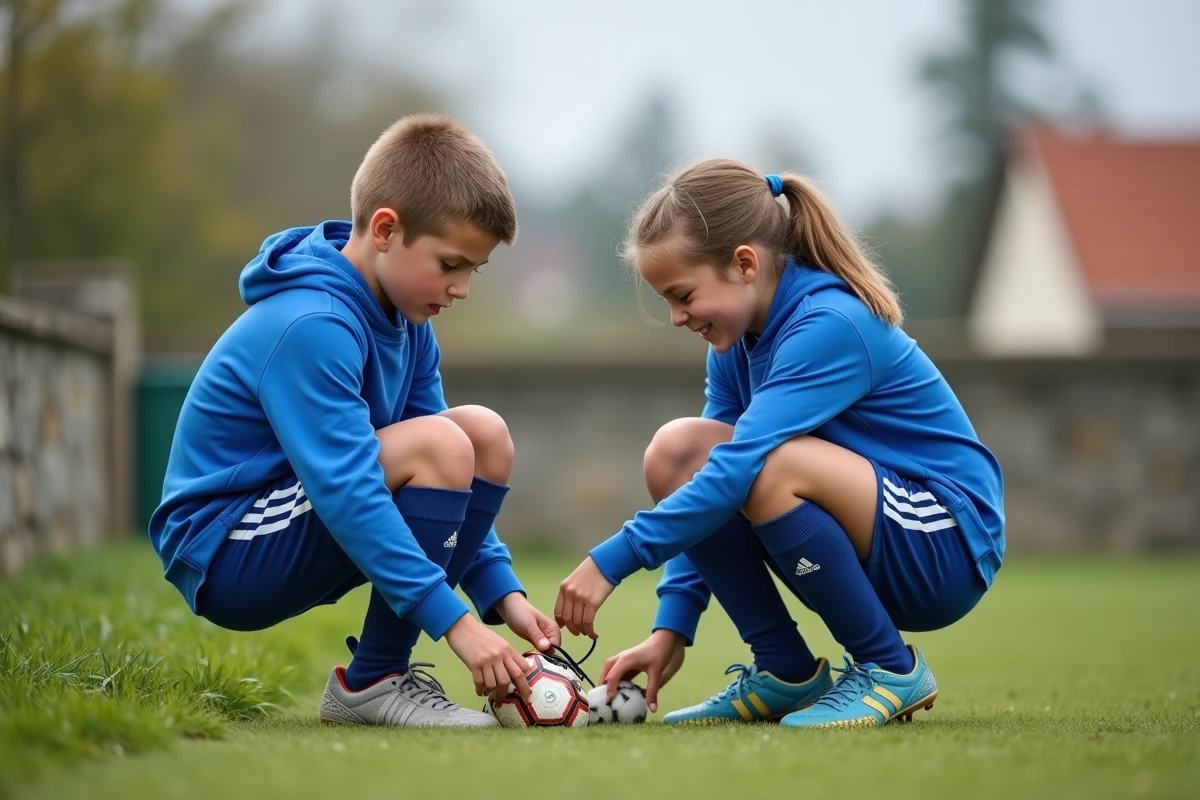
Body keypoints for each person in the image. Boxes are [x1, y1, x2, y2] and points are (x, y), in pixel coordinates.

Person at [555, 159, 1004, 729]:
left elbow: (739, 468)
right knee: (678, 451)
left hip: (944, 543)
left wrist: (612, 561)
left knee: (767, 466)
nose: (675, 317)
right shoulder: (734, 344)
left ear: (745, 264)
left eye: (683, 294)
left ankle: (889, 668)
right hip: (883, 533)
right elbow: (707, 478)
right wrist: (672, 627)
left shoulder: (830, 323)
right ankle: (784, 670)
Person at [149, 114, 559, 729]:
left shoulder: (408, 324)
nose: (463, 288)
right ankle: (377, 682)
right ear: (387, 229)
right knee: (445, 441)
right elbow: (349, 490)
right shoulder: (313, 325)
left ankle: (376, 677)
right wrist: (459, 625)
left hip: (296, 518)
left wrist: (503, 595)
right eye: (451, 264)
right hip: (228, 550)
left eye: (474, 269)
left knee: (482, 435)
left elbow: (453, 474)